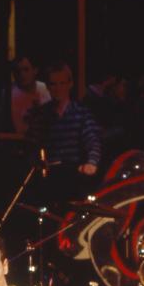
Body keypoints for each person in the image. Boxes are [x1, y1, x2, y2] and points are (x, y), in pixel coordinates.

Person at [26, 62, 102, 211]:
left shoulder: (81, 113)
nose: (58, 88)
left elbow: (93, 142)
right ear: (47, 86)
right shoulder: (42, 115)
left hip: (75, 176)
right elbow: (33, 145)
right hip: (50, 178)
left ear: (70, 84)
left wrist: (91, 163)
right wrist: (36, 161)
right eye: (53, 84)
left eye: (62, 83)